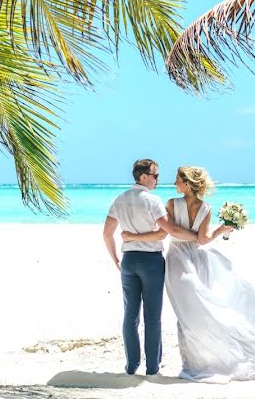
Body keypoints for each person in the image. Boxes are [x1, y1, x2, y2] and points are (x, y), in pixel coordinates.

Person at [122, 166, 255, 382]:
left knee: (187, 312)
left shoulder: (172, 204)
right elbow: (202, 239)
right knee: (195, 308)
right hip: (196, 258)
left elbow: (168, 232)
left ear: (187, 184)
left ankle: (195, 363)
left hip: (178, 260)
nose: (174, 183)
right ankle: (196, 361)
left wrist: (132, 236)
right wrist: (218, 231)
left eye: (178, 180)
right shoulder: (204, 207)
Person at [103, 159, 197, 376]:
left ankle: (131, 365)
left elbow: (107, 233)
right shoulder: (152, 201)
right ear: (143, 177)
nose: (158, 179)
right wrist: (197, 237)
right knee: (152, 316)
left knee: (130, 314)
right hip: (151, 261)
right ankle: (152, 367)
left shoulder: (120, 199)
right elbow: (168, 230)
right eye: (155, 175)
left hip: (128, 261)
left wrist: (116, 259)